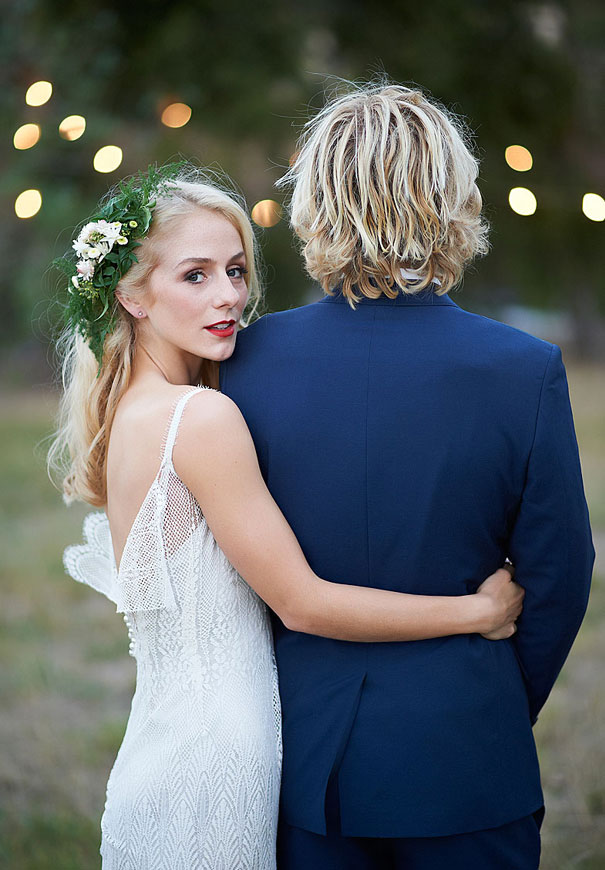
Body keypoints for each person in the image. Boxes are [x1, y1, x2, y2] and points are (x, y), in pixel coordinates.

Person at [50, 164, 524, 870]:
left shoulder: (128, 415)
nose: (230, 297)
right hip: (218, 763)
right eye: (196, 275)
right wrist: (475, 614)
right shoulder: (200, 418)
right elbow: (302, 604)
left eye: (236, 270)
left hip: (160, 750)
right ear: (131, 293)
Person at [220, 83, 595, 869]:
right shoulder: (523, 370)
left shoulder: (239, 365)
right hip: (466, 756)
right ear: (453, 200)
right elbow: (558, 573)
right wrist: (488, 700)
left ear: (315, 204)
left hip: (298, 759)